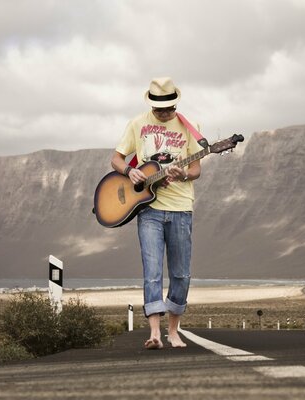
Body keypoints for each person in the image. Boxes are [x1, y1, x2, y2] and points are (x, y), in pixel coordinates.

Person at [111, 77, 203, 349]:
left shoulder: (190, 127)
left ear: (175, 103)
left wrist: (184, 173)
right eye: (159, 109)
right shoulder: (137, 124)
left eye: (168, 108)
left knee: (180, 273)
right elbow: (116, 158)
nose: (164, 114)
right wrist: (130, 170)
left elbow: (196, 169)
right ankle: (153, 333)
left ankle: (173, 331)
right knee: (152, 271)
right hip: (149, 208)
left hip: (181, 208)